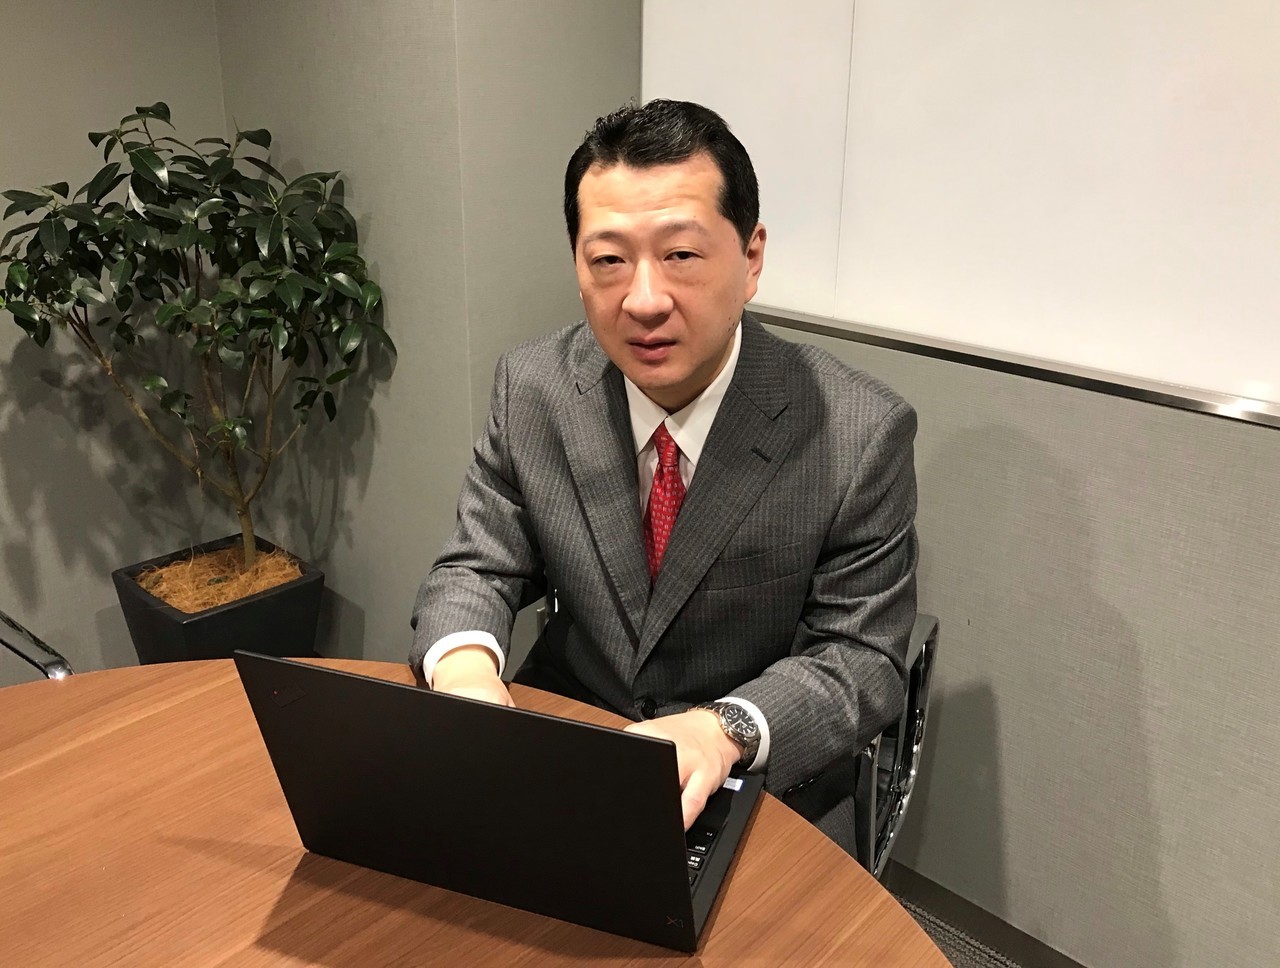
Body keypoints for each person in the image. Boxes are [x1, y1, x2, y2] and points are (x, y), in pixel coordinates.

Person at [410, 99, 918, 855]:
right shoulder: (534, 389)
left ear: (751, 258)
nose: (643, 300)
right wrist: (466, 678)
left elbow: (863, 659)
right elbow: (476, 565)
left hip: (758, 777)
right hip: (574, 737)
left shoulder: (856, 431)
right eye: (609, 260)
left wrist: (723, 729)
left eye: (681, 254)